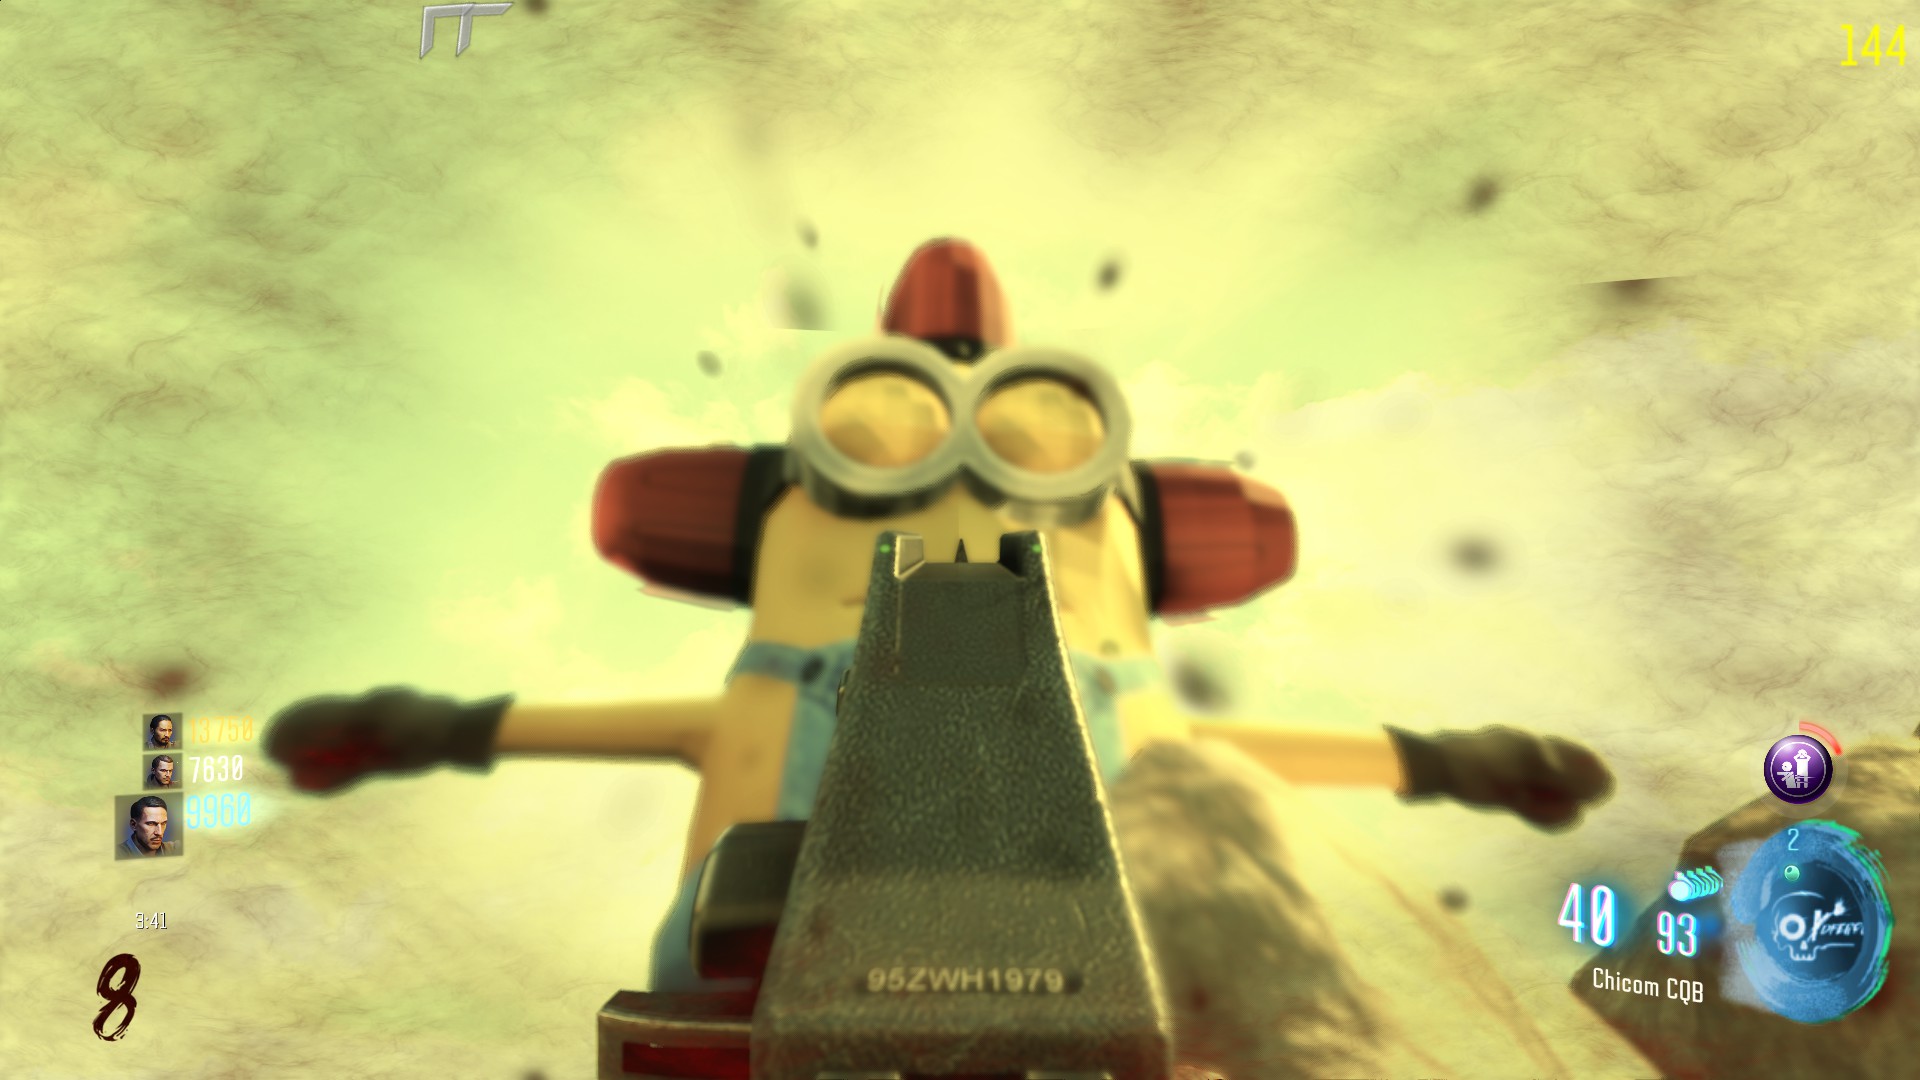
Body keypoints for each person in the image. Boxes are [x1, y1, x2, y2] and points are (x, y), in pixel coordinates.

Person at [266, 239, 1615, 992]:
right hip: (901, 952)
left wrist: (1450, 760)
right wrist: (1448, 762)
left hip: (1039, 943)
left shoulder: (817, 697)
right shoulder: (797, 696)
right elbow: (1221, 762)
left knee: (1176, 846)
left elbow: (1210, 766)